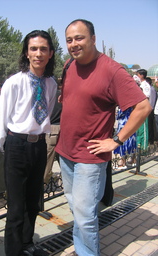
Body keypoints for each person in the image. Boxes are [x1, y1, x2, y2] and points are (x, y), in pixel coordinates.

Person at [55, 19, 152, 256]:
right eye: (69, 40)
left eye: (79, 38)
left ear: (93, 39)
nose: (74, 44)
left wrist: (116, 140)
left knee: (85, 213)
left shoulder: (111, 70)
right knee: (76, 208)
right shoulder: (69, 65)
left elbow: (143, 107)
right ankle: (82, 247)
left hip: (90, 155)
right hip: (65, 151)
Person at [0, 30, 57, 256]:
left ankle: (27, 245)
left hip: (39, 145)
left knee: (33, 202)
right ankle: (13, 251)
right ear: (26, 53)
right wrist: (8, 147)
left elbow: (47, 112)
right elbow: (1, 118)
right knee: (16, 208)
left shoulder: (51, 84)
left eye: (43, 49)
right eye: (33, 48)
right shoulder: (14, 82)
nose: (38, 53)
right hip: (17, 146)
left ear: (50, 53)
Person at [44, 85, 62, 184]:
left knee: (47, 160)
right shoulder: (63, 95)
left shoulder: (48, 95)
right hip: (63, 128)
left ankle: (44, 183)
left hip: (51, 129)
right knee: (64, 159)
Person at [136, 69, 151, 150]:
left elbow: (146, 98)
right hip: (137, 110)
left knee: (143, 130)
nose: (137, 76)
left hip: (143, 110)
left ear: (142, 75)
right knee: (138, 130)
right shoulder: (139, 84)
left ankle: (143, 148)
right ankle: (138, 147)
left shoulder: (145, 86)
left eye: (137, 74)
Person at [146, 77, 157, 145]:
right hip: (151, 109)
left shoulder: (151, 89)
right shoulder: (152, 89)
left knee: (150, 126)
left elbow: (152, 101)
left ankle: (151, 140)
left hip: (150, 110)